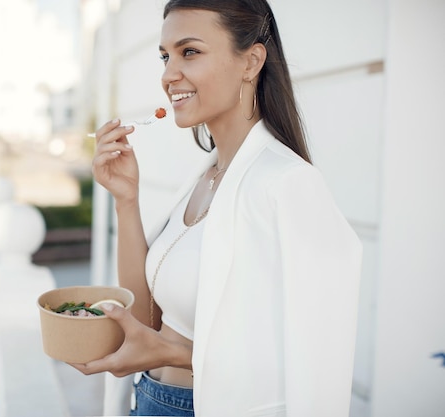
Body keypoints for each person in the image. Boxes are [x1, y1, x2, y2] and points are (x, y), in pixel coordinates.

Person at [72, 0, 362, 416]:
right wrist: (126, 201)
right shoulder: (204, 178)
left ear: (251, 61)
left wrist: (172, 353)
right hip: (151, 401)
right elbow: (148, 317)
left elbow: (314, 367)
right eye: (165, 56)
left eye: (189, 52)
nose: (169, 74)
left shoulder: (288, 185)